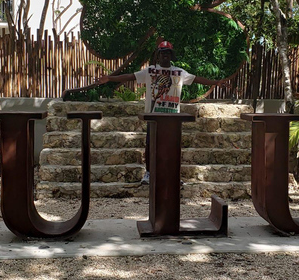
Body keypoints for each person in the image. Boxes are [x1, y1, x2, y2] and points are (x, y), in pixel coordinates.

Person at [96, 40, 226, 184]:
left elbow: (196, 79)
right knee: (151, 146)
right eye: (162, 53)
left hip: (172, 117)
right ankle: (149, 173)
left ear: (171, 55)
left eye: (168, 53)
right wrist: (109, 78)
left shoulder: (179, 72)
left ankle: (173, 175)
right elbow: (130, 76)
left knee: (172, 147)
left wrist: (215, 82)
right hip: (153, 115)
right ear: (158, 55)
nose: (165, 56)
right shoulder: (150, 71)